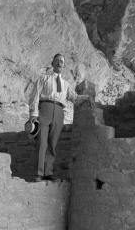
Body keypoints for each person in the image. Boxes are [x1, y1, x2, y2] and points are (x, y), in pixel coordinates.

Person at [29, 53, 95, 182]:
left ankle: (48, 172)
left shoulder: (65, 84)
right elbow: (35, 96)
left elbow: (74, 99)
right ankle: (38, 173)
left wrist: (87, 97)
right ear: (52, 63)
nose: (59, 63)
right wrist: (33, 114)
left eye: (62, 62)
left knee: (52, 143)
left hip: (59, 111)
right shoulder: (43, 79)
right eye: (57, 61)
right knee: (41, 142)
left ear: (63, 66)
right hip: (45, 108)